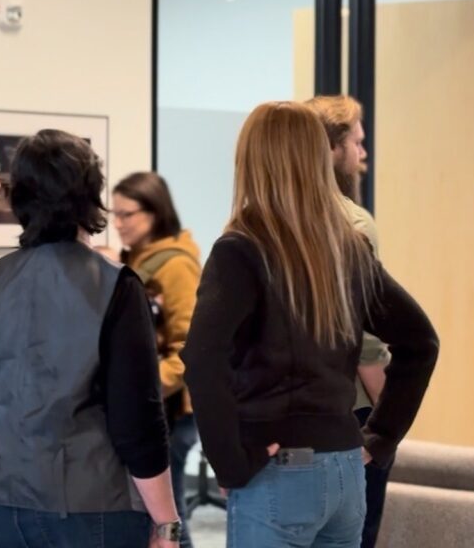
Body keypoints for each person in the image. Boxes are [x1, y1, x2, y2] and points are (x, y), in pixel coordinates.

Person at [182, 101, 439, 547]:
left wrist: (229, 462)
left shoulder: (241, 249)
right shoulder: (349, 248)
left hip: (278, 470)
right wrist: (379, 436)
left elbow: (203, 362)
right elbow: (421, 342)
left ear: (251, 162)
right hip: (344, 472)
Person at [0, 129, 182, 548]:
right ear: (91, 194)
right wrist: (167, 521)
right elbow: (138, 418)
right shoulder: (115, 286)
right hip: (90, 509)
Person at [307, 94, 392, 548]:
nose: (363, 153)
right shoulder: (353, 223)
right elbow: (366, 334)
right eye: (356, 143)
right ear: (332, 147)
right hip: (353, 408)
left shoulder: (267, 220)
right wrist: (387, 415)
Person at [108, 171, 201, 548]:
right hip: (151, 406)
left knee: (167, 516)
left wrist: (145, 387)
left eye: (126, 214)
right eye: (114, 214)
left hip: (172, 409)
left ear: (154, 212)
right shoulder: (135, 260)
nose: (118, 223)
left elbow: (190, 346)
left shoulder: (176, 266)